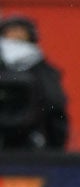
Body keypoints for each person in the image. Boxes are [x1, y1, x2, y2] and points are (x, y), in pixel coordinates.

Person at [0, 15, 68, 150]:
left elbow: (54, 103)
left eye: (20, 32)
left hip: (31, 138)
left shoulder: (41, 68)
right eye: (12, 31)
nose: (15, 36)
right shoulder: (41, 69)